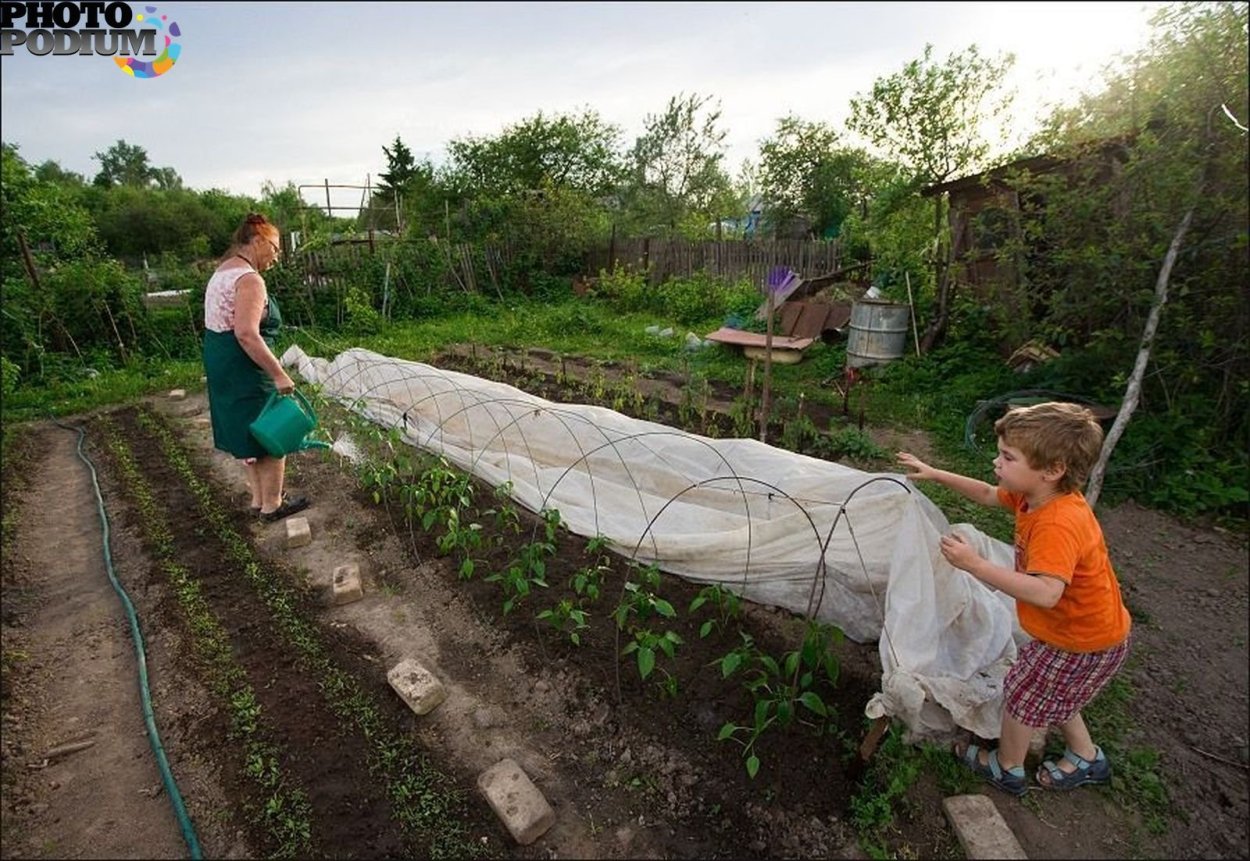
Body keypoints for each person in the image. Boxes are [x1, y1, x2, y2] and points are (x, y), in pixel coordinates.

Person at [897, 401, 1131, 796]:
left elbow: (1046, 592)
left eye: (1008, 457)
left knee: (1023, 695)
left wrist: (975, 565)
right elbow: (989, 493)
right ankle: (1087, 757)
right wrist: (935, 473)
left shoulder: (1057, 523)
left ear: (1052, 469)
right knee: (1055, 691)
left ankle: (1007, 767)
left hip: (1081, 641)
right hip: (1083, 633)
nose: (997, 461)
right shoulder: (1034, 497)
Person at [202, 213, 310, 523]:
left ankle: (259, 500)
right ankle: (274, 505)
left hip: (222, 362)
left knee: (247, 433)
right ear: (258, 241)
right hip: (244, 364)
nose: (276, 256)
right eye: (275, 248)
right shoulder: (249, 279)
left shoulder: (222, 272)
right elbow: (247, 334)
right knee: (272, 431)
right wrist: (278, 373)